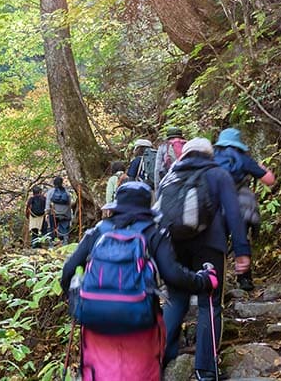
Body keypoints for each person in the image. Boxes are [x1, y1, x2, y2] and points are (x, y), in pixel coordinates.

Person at [60, 181, 218, 380]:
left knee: (100, 371)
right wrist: (203, 281)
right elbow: (173, 275)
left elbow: (68, 271)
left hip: (95, 318)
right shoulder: (154, 233)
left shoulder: (98, 232)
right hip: (139, 319)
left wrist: (76, 298)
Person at [160, 138, 249, 381]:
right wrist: (242, 250)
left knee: (175, 300)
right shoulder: (218, 174)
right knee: (209, 304)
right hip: (210, 246)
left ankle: (160, 359)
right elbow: (234, 213)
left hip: (174, 247)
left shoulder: (170, 177)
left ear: (185, 154)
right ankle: (206, 369)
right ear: (209, 154)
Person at [213, 128, 276, 292]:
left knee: (218, 242)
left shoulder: (211, 159)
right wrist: (263, 168)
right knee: (242, 238)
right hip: (242, 206)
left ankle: (215, 279)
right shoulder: (244, 159)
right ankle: (244, 278)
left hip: (217, 207)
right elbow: (269, 180)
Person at [152, 127, 187, 197]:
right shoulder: (187, 145)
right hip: (185, 179)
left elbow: (157, 169)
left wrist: (157, 189)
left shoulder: (163, 146)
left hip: (168, 180)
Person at [45, 177, 76, 245]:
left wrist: (47, 212)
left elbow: (47, 203)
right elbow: (69, 203)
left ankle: (51, 244)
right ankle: (65, 242)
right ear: (62, 183)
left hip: (53, 213)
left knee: (52, 228)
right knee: (64, 227)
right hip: (65, 213)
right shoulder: (66, 192)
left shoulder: (50, 192)